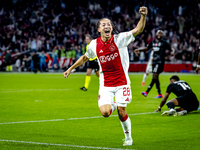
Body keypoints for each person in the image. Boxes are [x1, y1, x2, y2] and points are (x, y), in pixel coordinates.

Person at [63, 6, 147, 146]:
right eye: (104, 25)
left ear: (112, 28)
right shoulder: (94, 44)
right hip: (106, 84)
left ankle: (128, 138)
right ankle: (114, 104)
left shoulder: (120, 39)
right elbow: (85, 58)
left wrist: (143, 16)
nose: (107, 26)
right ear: (99, 29)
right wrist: (70, 68)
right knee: (105, 113)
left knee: (122, 111)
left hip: (122, 82)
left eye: (109, 24)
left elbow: (138, 30)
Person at [135, 30, 174, 98]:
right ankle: (158, 94)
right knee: (155, 78)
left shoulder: (164, 42)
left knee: (154, 76)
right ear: (156, 35)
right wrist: (139, 49)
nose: (159, 35)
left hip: (160, 62)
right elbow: (147, 48)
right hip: (154, 62)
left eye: (160, 34)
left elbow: (171, 49)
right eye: (158, 34)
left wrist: (172, 53)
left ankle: (147, 92)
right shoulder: (153, 42)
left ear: (162, 35)